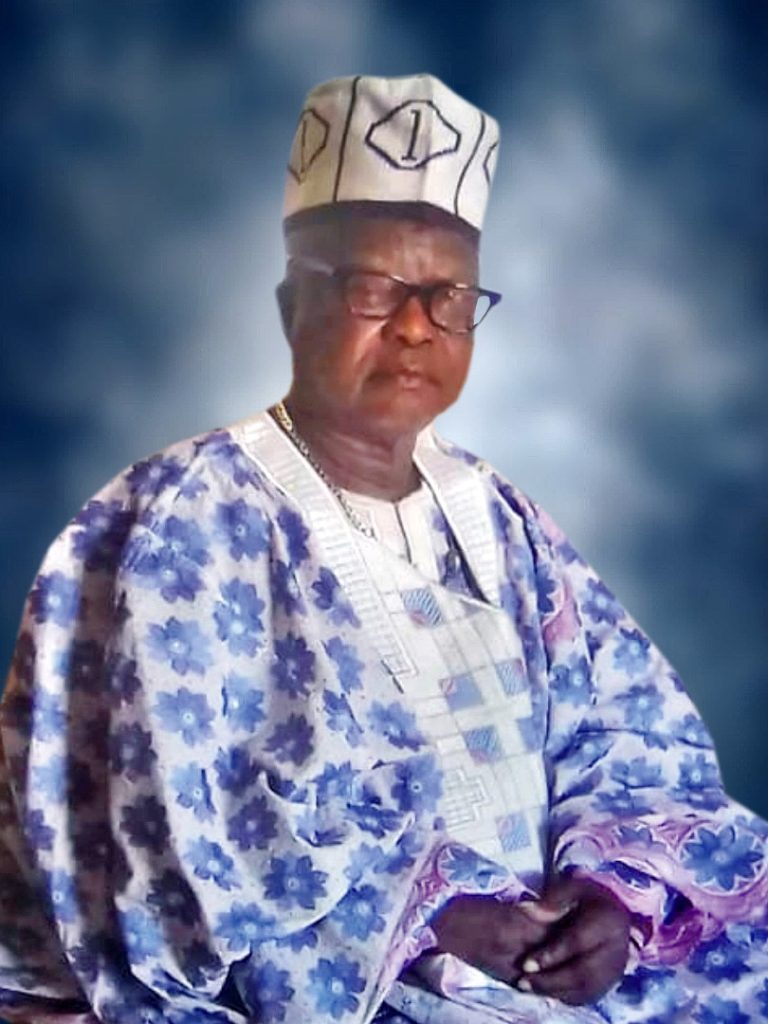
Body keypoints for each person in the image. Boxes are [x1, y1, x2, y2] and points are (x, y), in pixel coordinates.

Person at [0, 73, 766, 1024]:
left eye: (448, 295)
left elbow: (626, 735)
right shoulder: (184, 522)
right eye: (374, 289)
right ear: (293, 306)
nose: (414, 327)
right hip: (348, 981)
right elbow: (183, 829)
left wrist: (607, 902)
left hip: (543, 956)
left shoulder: (499, 516)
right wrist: (433, 913)